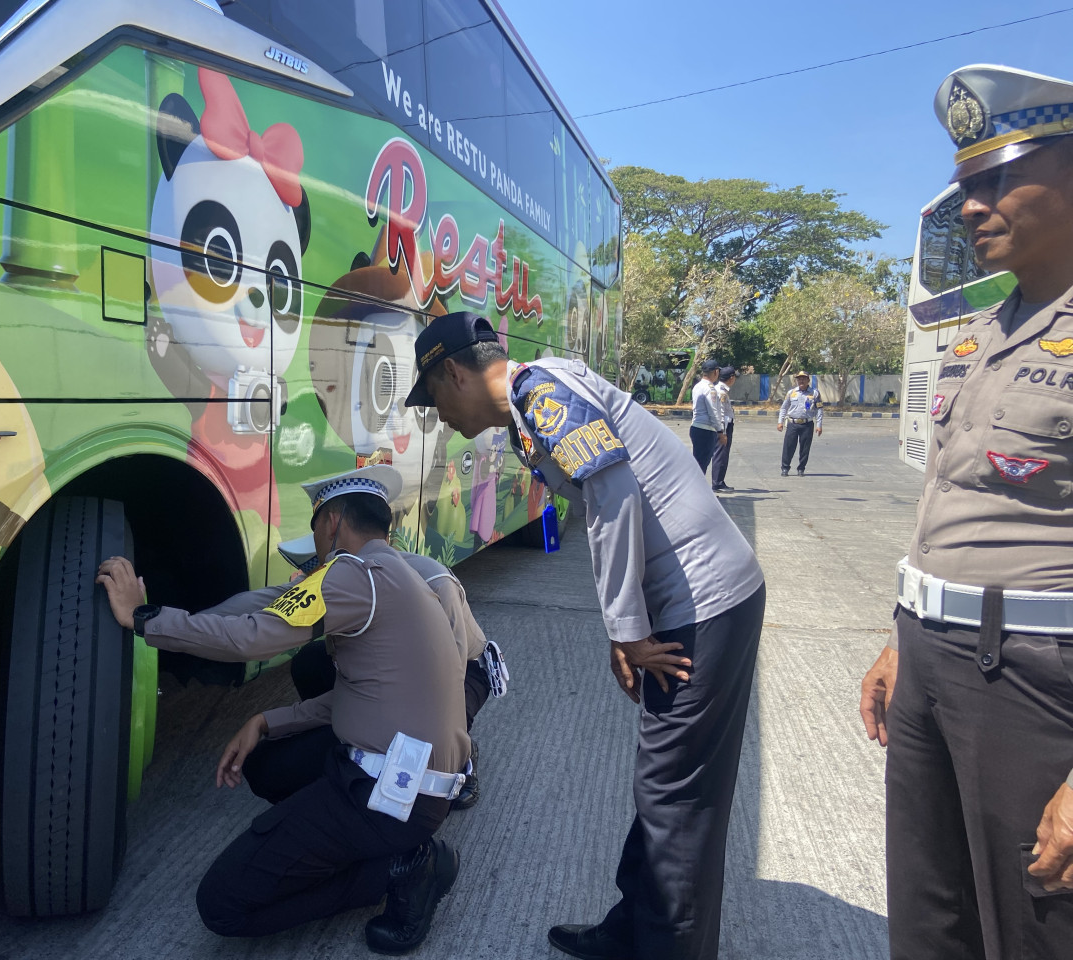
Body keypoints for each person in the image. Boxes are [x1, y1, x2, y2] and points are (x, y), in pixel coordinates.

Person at [405, 311, 766, 960]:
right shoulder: (534, 404)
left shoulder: (539, 392)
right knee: (669, 790)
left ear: (454, 372)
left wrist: (626, 630)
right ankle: (633, 932)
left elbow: (614, 491)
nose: (438, 416)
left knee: (675, 803)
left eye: (432, 397)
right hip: (702, 598)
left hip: (703, 604)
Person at [859, 64, 1073, 960]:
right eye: (963, 188)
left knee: (1031, 929)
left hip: (1032, 678)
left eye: (997, 178)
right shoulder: (998, 325)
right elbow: (954, 496)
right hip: (936, 656)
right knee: (929, 919)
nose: (972, 206)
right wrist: (903, 630)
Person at [96, 466, 470, 954]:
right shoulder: (399, 577)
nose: (315, 540)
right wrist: (266, 720)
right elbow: (351, 682)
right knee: (268, 760)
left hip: (385, 798)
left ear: (333, 522)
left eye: (315, 526)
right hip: (411, 785)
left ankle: (404, 869)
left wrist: (142, 618)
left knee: (222, 904)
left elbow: (255, 634)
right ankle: (346, 846)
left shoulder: (353, 574)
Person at [264, 533, 505, 810]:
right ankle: (351, 745)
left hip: (459, 676)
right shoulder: (354, 586)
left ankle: (461, 760)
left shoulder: (432, 581)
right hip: (400, 675)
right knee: (309, 662)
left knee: (424, 739)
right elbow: (348, 673)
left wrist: (284, 720)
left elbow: (447, 680)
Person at [776, 371, 822, 476]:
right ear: (797, 380)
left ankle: (801, 469)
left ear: (808, 380)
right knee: (788, 446)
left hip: (807, 424)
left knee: (805, 448)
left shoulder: (814, 393)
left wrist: (819, 425)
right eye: (799, 379)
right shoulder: (791, 393)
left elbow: (819, 410)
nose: (801, 380)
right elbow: (784, 408)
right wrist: (780, 422)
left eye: (803, 378)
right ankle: (785, 468)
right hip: (793, 423)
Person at [689, 358, 727, 473]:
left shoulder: (698, 386)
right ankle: (695, 490)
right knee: (701, 466)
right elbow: (713, 411)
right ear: (716, 372)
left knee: (697, 463)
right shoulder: (710, 389)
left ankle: (694, 489)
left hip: (696, 427)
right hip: (706, 430)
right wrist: (720, 432)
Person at [709, 366, 738, 492]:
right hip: (724, 426)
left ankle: (720, 481)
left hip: (724, 426)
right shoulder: (721, 392)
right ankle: (717, 483)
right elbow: (720, 413)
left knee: (723, 454)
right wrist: (723, 432)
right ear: (731, 378)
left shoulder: (721, 389)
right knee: (720, 454)